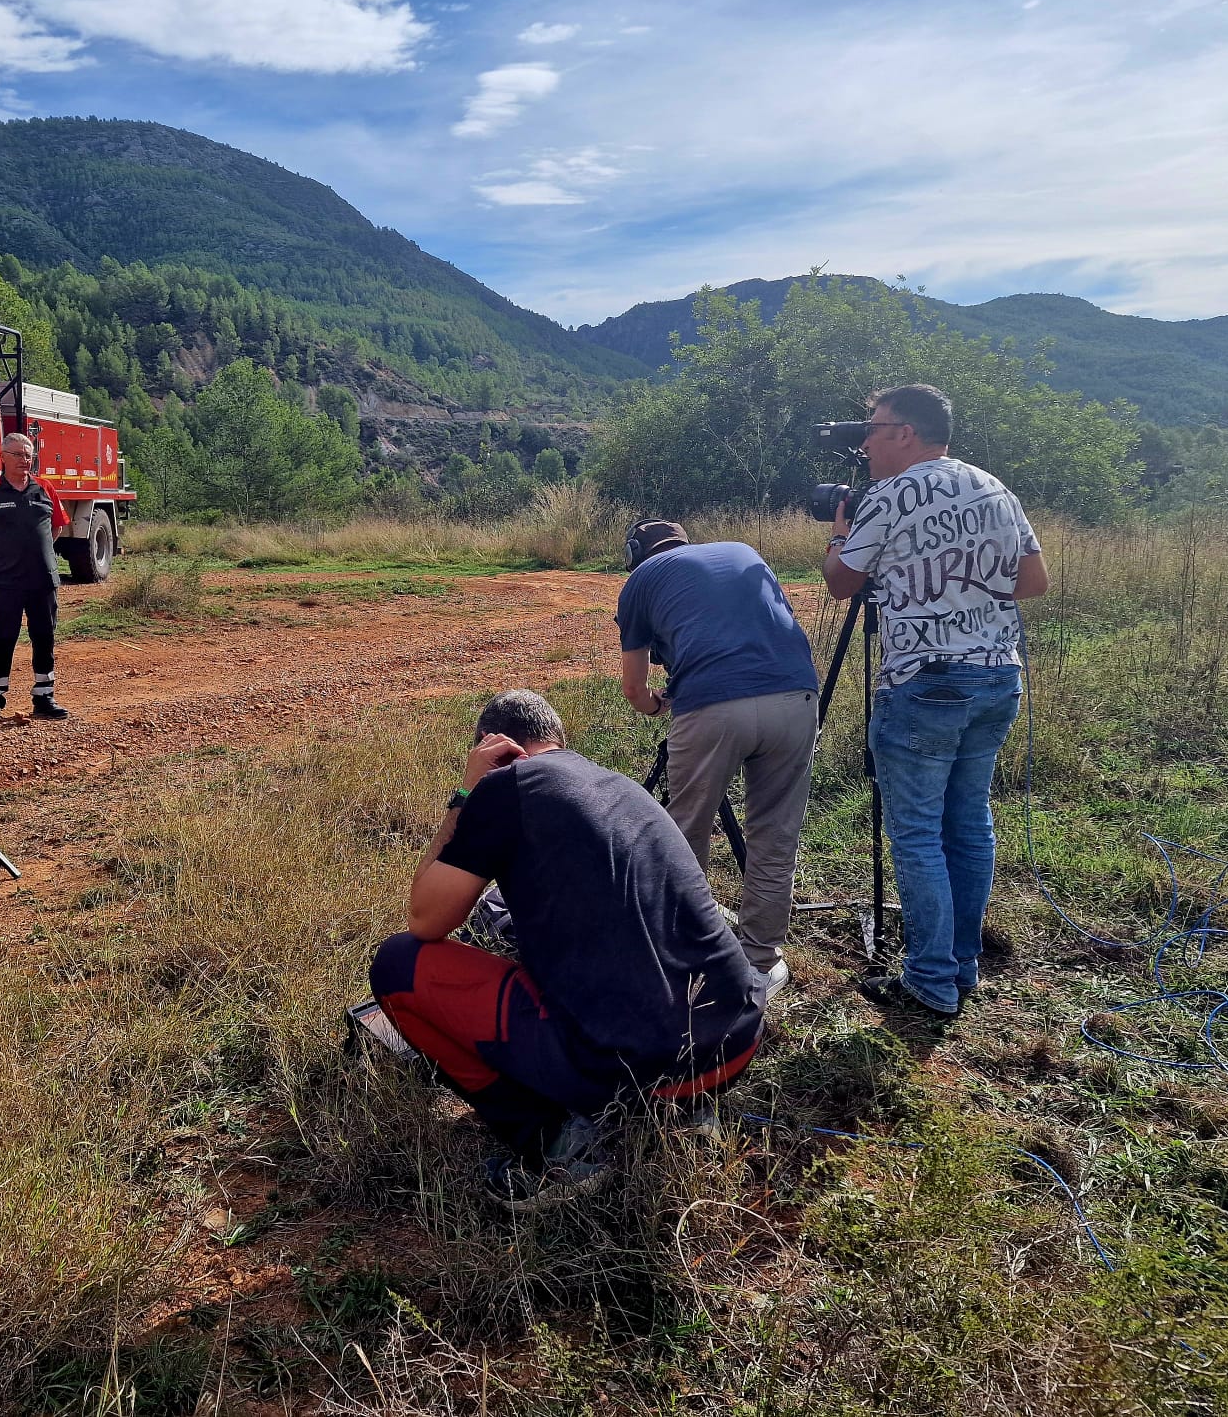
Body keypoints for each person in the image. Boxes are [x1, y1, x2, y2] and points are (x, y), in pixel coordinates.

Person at [369, 690, 767, 1207]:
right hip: (734, 1039)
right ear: (559, 741)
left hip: (643, 1068)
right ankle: (688, 1112)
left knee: (398, 965)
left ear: (495, 748)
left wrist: (466, 795)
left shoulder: (506, 786)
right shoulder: (618, 783)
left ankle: (554, 1146)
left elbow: (425, 919)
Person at [821, 383, 1049, 1018]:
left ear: (905, 433)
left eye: (872, 427)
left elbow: (842, 584)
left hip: (924, 683)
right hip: (997, 678)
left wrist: (842, 535)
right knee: (969, 821)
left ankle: (929, 979)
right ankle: (962, 965)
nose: (863, 441)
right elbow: (1032, 581)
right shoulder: (994, 487)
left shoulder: (890, 496)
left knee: (917, 833)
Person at [615, 520, 820, 990]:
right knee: (775, 835)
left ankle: (683, 953)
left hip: (710, 705)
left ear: (635, 553)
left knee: (685, 831)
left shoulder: (641, 580)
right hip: (795, 698)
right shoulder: (743, 550)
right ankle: (759, 963)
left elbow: (634, 687)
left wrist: (656, 704)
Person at [0, 431, 70, 723]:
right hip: (6, 580)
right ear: (2, 457)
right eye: (17, 454)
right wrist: (1, 557)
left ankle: (44, 696)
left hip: (42, 579)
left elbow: (57, 526)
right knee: (3, 637)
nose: (24, 460)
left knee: (44, 635)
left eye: (28, 455)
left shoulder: (45, 488)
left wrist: (42, 555)